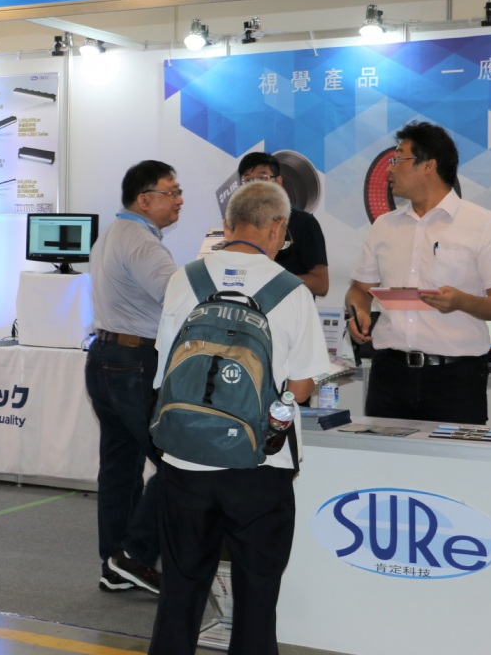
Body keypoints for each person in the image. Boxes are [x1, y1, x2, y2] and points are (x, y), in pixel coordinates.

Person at [149, 181, 329, 655]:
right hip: (259, 466)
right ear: (277, 227)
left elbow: (164, 370)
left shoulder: (185, 279)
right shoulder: (291, 290)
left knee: (180, 591)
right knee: (256, 598)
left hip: (184, 459)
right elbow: (302, 388)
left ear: (228, 226)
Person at [346, 122, 491, 425]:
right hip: (389, 374)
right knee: (383, 456)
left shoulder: (484, 225)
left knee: (453, 457)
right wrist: (358, 310)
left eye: (398, 159)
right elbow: (359, 289)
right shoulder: (385, 225)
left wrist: (463, 301)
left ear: (428, 165)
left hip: (456, 378)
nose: (390, 169)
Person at [85, 160, 183, 594]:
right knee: (178, 464)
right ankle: (135, 555)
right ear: (145, 200)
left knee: (120, 468)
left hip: (105, 357)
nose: (179, 200)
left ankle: (116, 564)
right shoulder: (143, 243)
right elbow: (177, 297)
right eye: (171, 192)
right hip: (134, 362)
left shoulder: (112, 233)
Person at [237, 152, 328, 297]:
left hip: (290, 306)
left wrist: (273, 280)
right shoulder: (237, 223)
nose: (255, 186)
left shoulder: (304, 222)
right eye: (247, 180)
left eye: (263, 178)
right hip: (247, 306)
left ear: (278, 182)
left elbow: (321, 284)